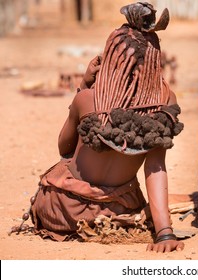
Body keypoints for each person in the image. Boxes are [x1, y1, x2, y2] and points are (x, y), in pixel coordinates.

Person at [27, 2, 185, 253]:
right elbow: (155, 167)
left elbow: (64, 148)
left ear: (111, 60)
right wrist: (164, 232)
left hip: (63, 212)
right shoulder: (164, 103)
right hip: (118, 215)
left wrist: (83, 86)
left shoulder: (88, 99)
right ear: (155, 60)